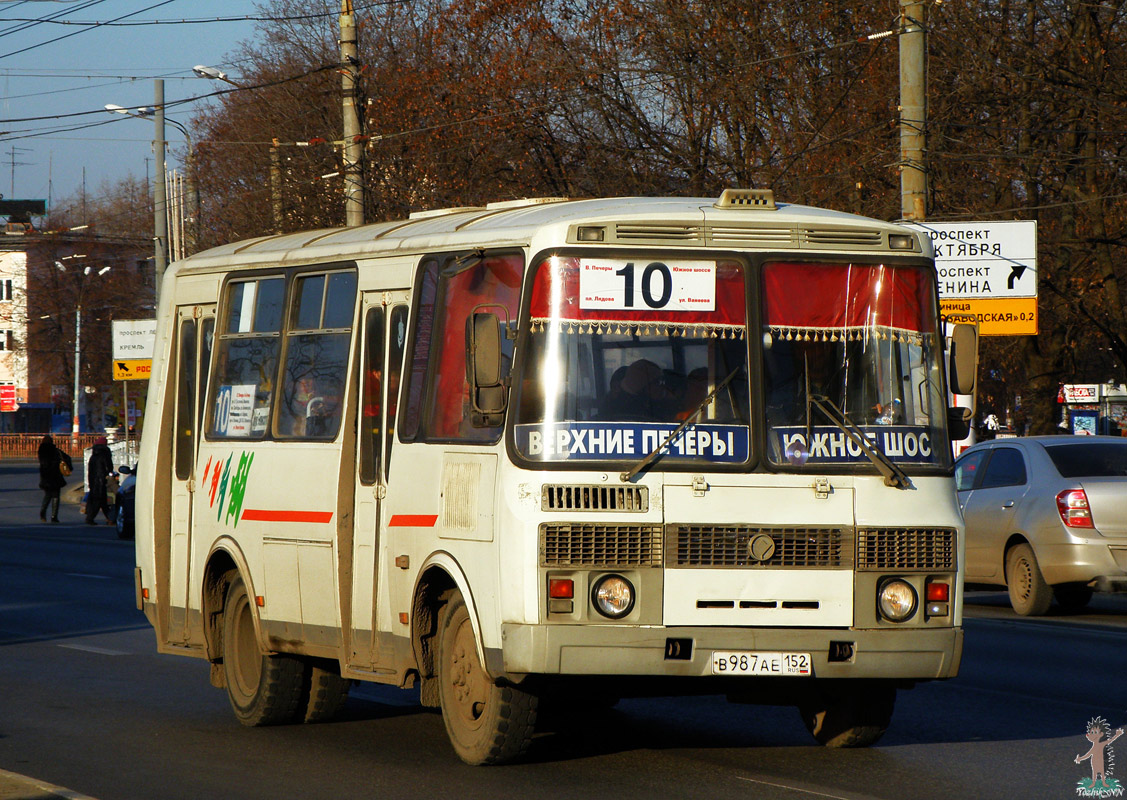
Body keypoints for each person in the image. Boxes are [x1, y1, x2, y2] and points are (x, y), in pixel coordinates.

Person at [37, 435, 72, 523]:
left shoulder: (41, 451)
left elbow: (43, 463)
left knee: (48, 495)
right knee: (56, 496)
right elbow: (67, 458)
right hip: (56, 475)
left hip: (46, 476)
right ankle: (54, 516)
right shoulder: (55, 450)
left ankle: (43, 513)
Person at [85, 436, 115, 525]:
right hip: (101, 480)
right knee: (98, 501)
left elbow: (90, 470)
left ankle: (110, 518)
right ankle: (90, 518)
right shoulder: (105, 454)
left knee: (101, 501)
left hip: (93, 480)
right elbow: (109, 467)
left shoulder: (93, 455)